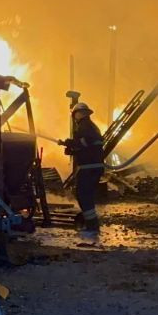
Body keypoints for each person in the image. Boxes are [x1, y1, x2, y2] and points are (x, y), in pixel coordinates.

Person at [63, 102, 105, 241]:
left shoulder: (84, 126)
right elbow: (86, 145)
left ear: (79, 114)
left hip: (89, 167)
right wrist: (71, 147)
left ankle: (92, 228)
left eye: (75, 114)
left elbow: (85, 142)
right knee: (85, 195)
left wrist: (71, 143)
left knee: (83, 195)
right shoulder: (91, 126)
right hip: (93, 166)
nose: (75, 117)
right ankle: (91, 225)